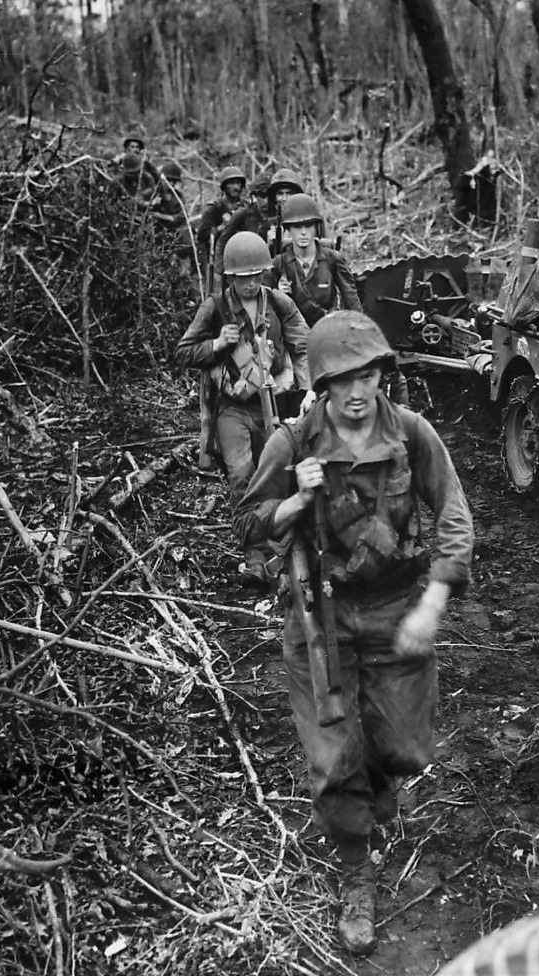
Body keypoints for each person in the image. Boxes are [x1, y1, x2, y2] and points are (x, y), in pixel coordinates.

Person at [233, 310, 473, 956]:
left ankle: (377, 789)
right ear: (321, 386)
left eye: (368, 374)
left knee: (402, 750)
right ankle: (355, 875)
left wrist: (435, 602)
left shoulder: (412, 434)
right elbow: (248, 525)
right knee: (335, 759)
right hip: (322, 617)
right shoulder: (292, 442)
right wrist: (294, 500)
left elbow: (452, 514)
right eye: (343, 379)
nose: (358, 391)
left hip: (397, 609)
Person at [173, 231, 311, 585]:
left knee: (278, 473)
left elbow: (305, 345)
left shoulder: (279, 303)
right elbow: (183, 351)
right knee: (240, 473)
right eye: (242, 277)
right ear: (230, 277)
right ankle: (253, 552)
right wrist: (217, 344)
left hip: (273, 404)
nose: (250, 283)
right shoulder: (214, 307)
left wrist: (309, 388)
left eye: (256, 276)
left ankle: (281, 547)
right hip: (232, 408)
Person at [270, 194, 362, 326]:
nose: (303, 232)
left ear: (316, 228)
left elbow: (351, 299)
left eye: (308, 226)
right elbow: (265, 307)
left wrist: (361, 329)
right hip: (293, 334)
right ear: (288, 229)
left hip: (326, 329)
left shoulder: (333, 260)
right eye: (297, 226)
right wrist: (278, 293)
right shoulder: (279, 263)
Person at [195, 165, 248, 289]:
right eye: (232, 183)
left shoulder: (246, 207)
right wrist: (221, 227)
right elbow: (202, 236)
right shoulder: (214, 209)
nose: (236, 187)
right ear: (224, 186)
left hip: (242, 256)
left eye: (238, 183)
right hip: (219, 258)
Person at [266, 168, 305, 256]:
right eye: (280, 194)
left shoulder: (310, 220)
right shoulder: (268, 224)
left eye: (289, 193)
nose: (284, 198)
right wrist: (270, 245)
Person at [115, 135, 159, 201]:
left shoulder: (144, 163)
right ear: (127, 149)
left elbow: (156, 178)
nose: (135, 149)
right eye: (132, 147)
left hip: (143, 192)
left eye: (137, 147)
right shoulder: (120, 160)